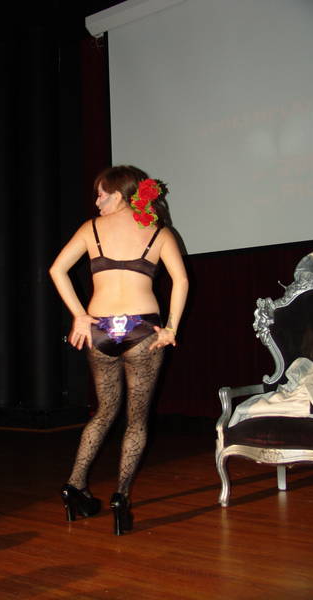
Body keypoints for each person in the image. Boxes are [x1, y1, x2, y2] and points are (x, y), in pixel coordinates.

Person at [49, 165, 189, 535]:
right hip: (142, 331)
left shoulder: (90, 229)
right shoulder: (159, 232)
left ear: (120, 193)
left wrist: (80, 316)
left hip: (100, 330)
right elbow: (181, 280)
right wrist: (171, 327)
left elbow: (57, 270)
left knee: (103, 413)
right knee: (136, 419)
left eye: (101, 194)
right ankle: (120, 497)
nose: (96, 201)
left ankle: (75, 485)